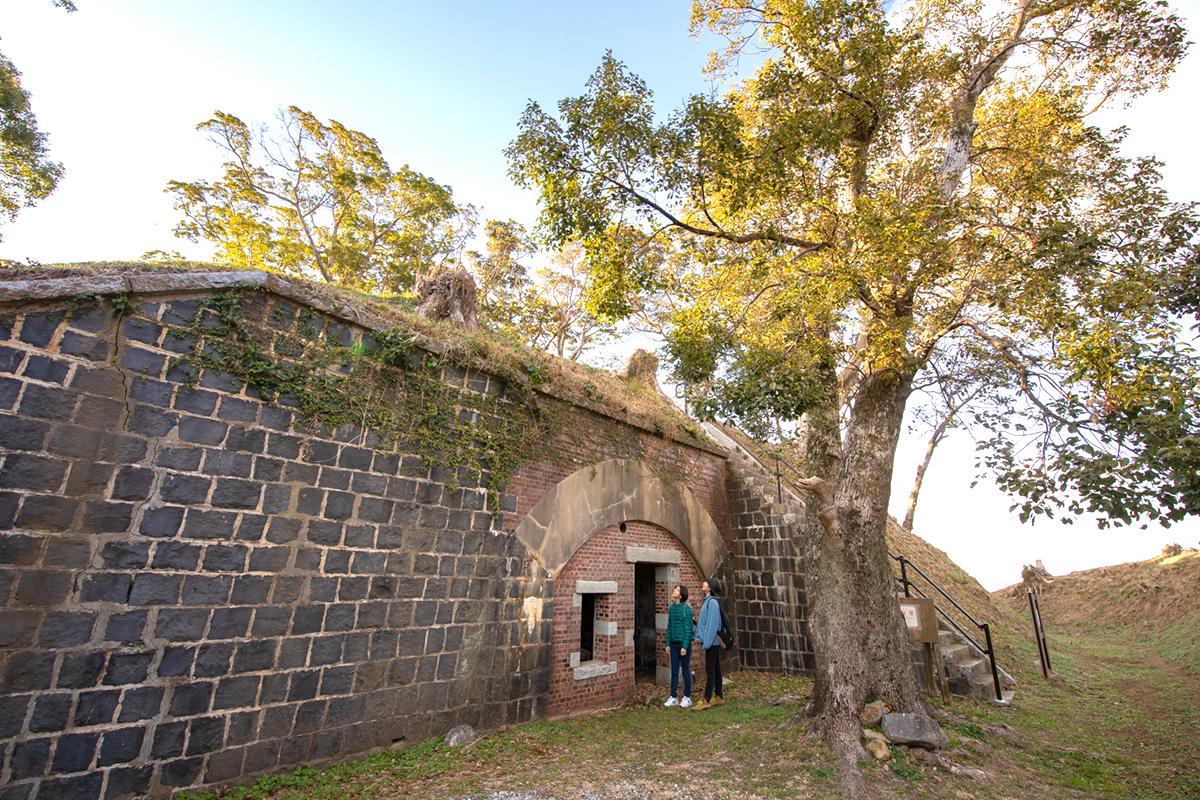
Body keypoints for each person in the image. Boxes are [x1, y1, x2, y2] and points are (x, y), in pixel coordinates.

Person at [692, 577, 724, 707]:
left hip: (711, 643)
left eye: (706, 582)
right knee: (716, 669)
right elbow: (705, 624)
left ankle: (706, 699)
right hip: (711, 642)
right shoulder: (708, 602)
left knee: (710, 671)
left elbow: (712, 625)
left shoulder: (712, 603)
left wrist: (706, 644)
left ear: (710, 588)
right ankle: (719, 696)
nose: (703, 583)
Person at [663, 584, 694, 708]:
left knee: (685, 670)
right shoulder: (671, 608)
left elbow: (688, 629)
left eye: (676, 590)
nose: (673, 591)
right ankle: (673, 697)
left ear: (681, 595)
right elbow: (669, 627)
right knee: (674, 671)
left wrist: (685, 646)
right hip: (674, 644)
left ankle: (687, 697)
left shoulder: (686, 609)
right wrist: (667, 643)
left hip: (683, 644)